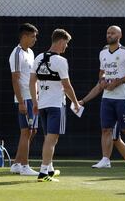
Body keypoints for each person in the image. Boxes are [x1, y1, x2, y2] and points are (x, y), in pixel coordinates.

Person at [86, 26, 125, 169]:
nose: (109, 35)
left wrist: (117, 82)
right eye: (108, 33)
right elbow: (102, 72)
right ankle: (105, 159)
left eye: (113, 33)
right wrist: (102, 80)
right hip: (107, 98)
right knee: (106, 129)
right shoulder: (103, 52)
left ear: (120, 35)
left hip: (123, 97)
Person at [30, 29, 80, 182]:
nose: (66, 47)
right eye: (65, 43)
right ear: (60, 42)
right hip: (56, 106)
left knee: (49, 138)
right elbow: (67, 86)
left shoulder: (38, 57)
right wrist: (76, 103)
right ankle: (43, 173)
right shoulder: (61, 61)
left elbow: (32, 82)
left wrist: (34, 102)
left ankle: (50, 169)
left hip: (43, 105)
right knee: (51, 139)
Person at [9, 23, 39, 176]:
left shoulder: (31, 52)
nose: (35, 39)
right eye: (33, 36)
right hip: (24, 98)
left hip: (32, 98)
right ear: (25, 36)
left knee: (32, 131)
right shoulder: (16, 53)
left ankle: (16, 164)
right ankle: (25, 166)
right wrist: (21, 102)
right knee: (26, 131)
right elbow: (15, 80)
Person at [78, 83, 125, 167]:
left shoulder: (123, 71)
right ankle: (110, 160)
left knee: (116, 137)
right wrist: (83, 101)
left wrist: (117, 82)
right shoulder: (104, 72)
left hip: (121, 101)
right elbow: (98, 87)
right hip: (108, 102)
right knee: (114, 137)